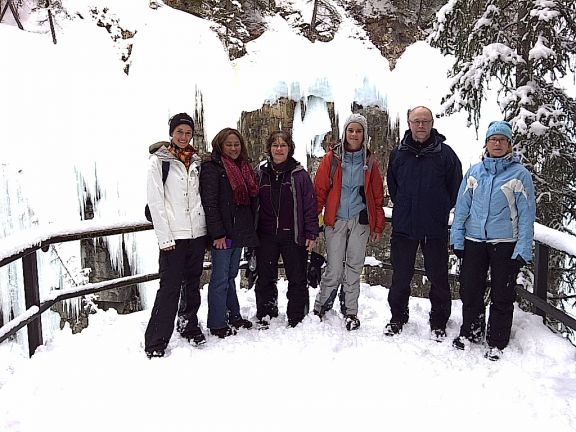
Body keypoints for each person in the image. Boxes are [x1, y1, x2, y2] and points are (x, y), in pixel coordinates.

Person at [451, 120, 536, 361]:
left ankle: (497, 341)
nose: (497, 143)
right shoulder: (474, 172)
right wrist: (457, 238)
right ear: (486, 143)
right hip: (474, 240)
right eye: (493, 139)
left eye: (502, 140)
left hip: (505, 243)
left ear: (509, 144)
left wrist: (522, 249)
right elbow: (462, 208)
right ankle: (471, 332)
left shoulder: (520, 175)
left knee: (502, 293)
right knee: (470, 289)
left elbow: (527, 215)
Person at [385, 106, 462, 340]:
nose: (421, 126)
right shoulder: (398, 153)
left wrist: (437, 208)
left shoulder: (445, 154)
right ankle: (398, 316)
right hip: (404, 226)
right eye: (416, 121)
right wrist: (406, 206)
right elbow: (393, 185)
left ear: (431, 123)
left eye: (425, 121)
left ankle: (439, 321)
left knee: (438, 276)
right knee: (400, 275)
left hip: (434, 227)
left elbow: (455, 187)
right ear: (409, 123)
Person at [144, 113, 209, 358]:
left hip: (196, 232)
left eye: (188, 132)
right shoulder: (159, 162)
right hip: (174, 236)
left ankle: (188, 325)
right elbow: (156, 201)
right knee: (169, 287)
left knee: (192, 284)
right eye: (179, 132)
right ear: (172, 133)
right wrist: (164, 238)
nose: (184, 136)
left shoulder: (196, 161)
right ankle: (156, 340)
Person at [312, 113, 385, 331]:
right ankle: (321, 306)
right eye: (351, 130)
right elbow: (320, 191)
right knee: (334, 267)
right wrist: (314, 223)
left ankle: (350, 310)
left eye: (359, 131)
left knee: (354, 266)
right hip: (335, 219)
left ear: (365, 135)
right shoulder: (331, 160)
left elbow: (377, 195)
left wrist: (378, 224)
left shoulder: (370, 162)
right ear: (344, 133)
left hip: (360, 220)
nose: (354, 134)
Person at [254, 131, 319, 328]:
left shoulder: (299, 175)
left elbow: (309, 205)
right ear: (269, 149)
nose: (279, 149)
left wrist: (311, 232)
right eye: (275, 145)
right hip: (266, 234)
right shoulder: (260, 173)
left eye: (283, 145)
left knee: (297, 276)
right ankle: (266, 312)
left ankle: (297, 315)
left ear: (289, 148)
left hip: (293, 233)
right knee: (265, 276)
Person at [200, 128, 258, 338]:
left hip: (238, 231)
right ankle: (216, 323)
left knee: (230, 276)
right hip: (222, 234)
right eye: (229, 145)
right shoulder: (212, 168)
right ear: (220, 145)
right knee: (219, 278)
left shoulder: (242, 167)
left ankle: (233, 315)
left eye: (236, 144)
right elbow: (210, 203)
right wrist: (217, 234)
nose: (233, 148)